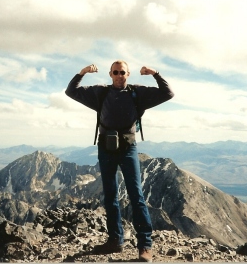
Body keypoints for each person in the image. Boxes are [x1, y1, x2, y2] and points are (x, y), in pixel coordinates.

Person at [65, 60, 174, 262]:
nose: (119, 75)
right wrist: (82, 72)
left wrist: (155, 73)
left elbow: (168, 93)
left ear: (128, 74)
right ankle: (115, 241)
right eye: (115, 72)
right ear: (110, 74)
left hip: (128, 148)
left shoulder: (137, 93)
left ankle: (145, 246)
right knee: (110, 196)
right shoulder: (100, 93)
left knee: (136, 196)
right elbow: (71, 91)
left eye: (122, 72)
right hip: (105, 148)